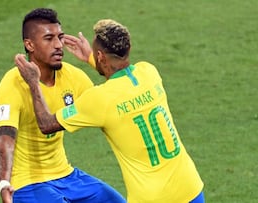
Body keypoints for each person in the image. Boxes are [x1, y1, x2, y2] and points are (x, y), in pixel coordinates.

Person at [14, 19, 205, 203]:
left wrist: (33, 83)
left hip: (154, 198)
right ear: (127, 49)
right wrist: (92, 58)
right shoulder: (149, 72)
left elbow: (47, 125)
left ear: (100, 57)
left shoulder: (99, 99)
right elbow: (121, 83)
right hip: (190, 187)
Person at [0, 9, 126, 203]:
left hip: (66, 175)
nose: (58, 45)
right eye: (48, 39)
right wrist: (4, 184)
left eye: (60, 37)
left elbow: (110, 103)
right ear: (29, 44)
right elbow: (5, 140)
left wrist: (92, 60)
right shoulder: (13, 82)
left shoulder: (72, 76)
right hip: (27, 183)